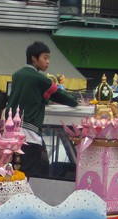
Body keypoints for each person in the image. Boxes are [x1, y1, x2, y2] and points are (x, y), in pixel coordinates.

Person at [6, 41, 78, 178]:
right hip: (29, 134)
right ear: (34, 58)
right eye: (45, 58)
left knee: (13, 174)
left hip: (10, 134)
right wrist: (76, 103)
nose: (48, 62)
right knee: (28, 175)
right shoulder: (39, 78)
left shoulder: (17, 75)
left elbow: (30, 96)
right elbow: (60, 95)